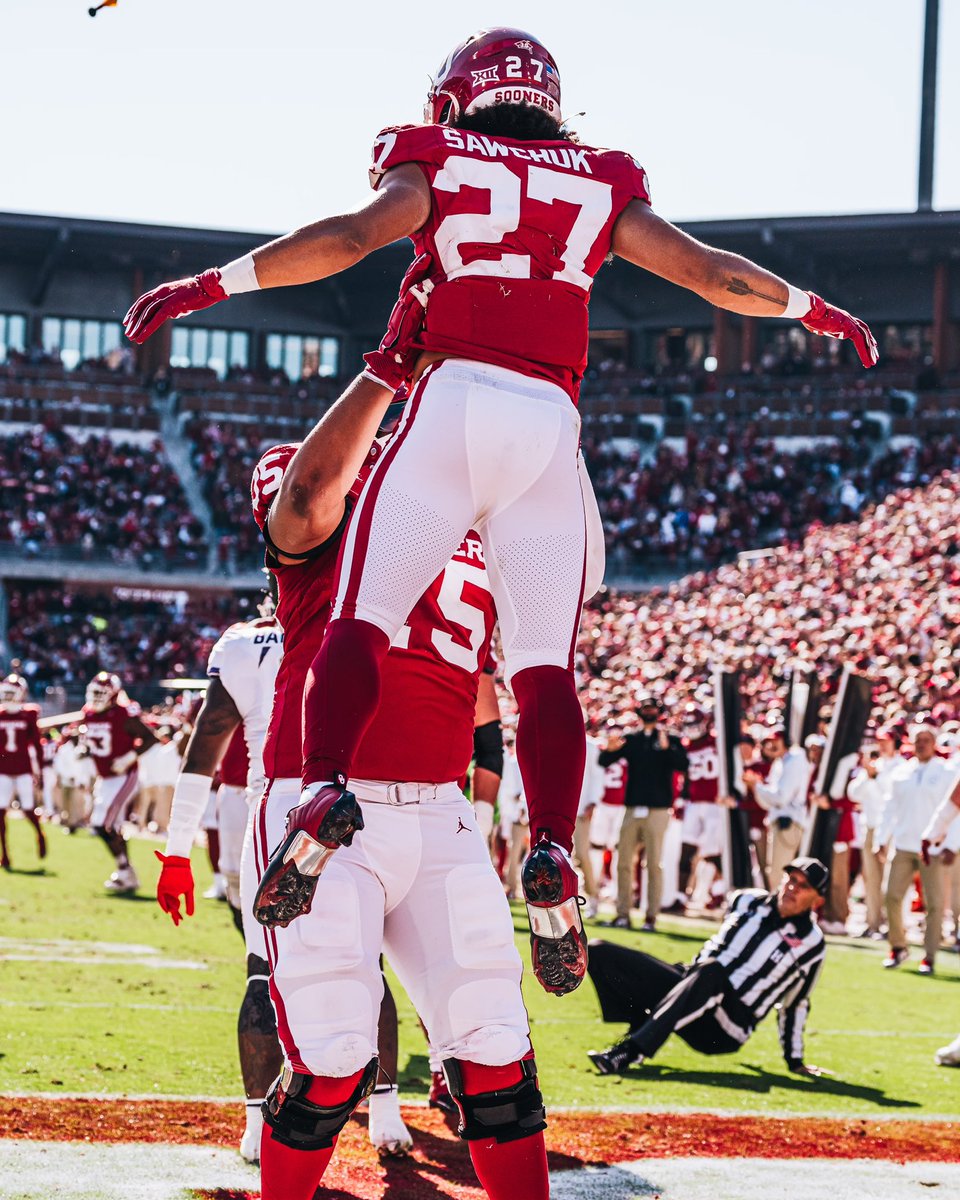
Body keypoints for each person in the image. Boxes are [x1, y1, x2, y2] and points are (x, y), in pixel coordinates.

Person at [124, 26, 877, 996]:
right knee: (542, 672)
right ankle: (554, 854)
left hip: (453, 398)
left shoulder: (435, 152)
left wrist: (213, 285)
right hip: (550, 425)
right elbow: (704, 272)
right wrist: (813, 307)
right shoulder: (601, 175)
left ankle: (320, 792)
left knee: (358, 616)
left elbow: (353, 238)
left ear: (458, 96)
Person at [245, 392, 555, 1200]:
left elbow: (490, 682)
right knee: (333, 1059)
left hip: (441, 811)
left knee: (496, 1051)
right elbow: (307, 501)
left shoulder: (473, 520)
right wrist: (389, 370)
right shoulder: (325, 477)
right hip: (322, 799)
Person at [586, 858, 829, 1076]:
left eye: (804, 886)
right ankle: (640, 1024)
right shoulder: (747, 900)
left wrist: (795, 1060)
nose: (792, 888)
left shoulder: (811, 943)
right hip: (693, 985)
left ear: (817, 901)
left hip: (726, 1026)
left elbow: (796, 1002)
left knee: (711, 971)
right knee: (599, 952)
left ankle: (631, 1051)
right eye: (791, 879)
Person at [599, 695, 688, 931]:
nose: (648, 713)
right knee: (624, 862)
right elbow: (605, 760)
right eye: (645, 709)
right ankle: (623, 914)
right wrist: (608, 750)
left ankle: (651, 917)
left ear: (659, 712)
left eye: (652, 709)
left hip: (658, 809)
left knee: (654, 864)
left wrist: (668, 749)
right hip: (632, 807)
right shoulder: (632, 739)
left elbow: (683, 765)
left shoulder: (670, 738)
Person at [878, 724, 960, 975]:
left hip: (932, 847)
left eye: (926, 740)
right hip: (904, 843)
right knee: (891, 896)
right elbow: (890, 807)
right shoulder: (902, 772)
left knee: (934, 903)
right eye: (918, 740)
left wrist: (951, 844)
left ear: (934, 743)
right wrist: (882, 838)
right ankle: (898, 946)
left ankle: (930, 956)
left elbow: (954, 811)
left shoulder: (946, 772)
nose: (922, 744)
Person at [80, 671, 157, 893]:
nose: (96, 698)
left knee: (103, 824)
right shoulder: (89, 713)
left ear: (113, 696)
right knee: (106, 826)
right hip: (105, 778)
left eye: (102, 694)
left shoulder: (124, 714)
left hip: (125, 776)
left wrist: (129, 757)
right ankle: (125, 872)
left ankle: (125, 871)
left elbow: (150, 737)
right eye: (94, 693)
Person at [848, 728, 905, 937]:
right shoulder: (874, 766)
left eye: (886, 741)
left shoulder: (901, 767)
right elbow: (853, 793)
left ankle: (892, 925)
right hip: (870, 826)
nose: (882, 745)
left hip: (890, 829)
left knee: (890, 879)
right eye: (880, 741)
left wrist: (875, 777)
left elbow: (889, 798)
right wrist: (868, 775)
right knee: (871, 878)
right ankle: (872, 922)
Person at [743, 726, 811, 889]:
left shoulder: (795, 759)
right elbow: (768, 802)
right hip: (779, 821)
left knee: (779, 873)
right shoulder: (780, 762)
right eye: (767, 742)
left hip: (789, 822)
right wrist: (757, 787)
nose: (770, 746)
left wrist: (757, 786)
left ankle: (782, 912)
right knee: (773, 871)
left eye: (775, 741)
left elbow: (780, 798)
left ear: (786, 741)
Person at [0, 673, 46, 868]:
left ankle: (39, 834)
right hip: (3, 770)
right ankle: (5, 854)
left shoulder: (28, 714)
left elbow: (36, 744)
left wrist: (40, 771)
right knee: (0, 812)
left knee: (28, 810)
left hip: (23, 769)